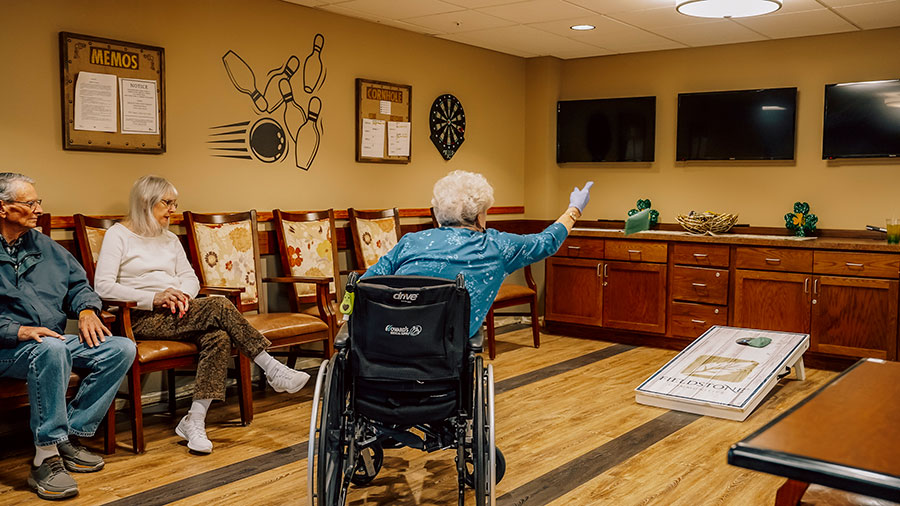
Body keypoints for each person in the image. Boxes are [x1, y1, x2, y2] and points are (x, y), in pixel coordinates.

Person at [94, 175, 310, 455]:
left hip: (177, 312)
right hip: (137, 316)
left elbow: (190, 278)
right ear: (146, 202)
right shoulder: (118, 235)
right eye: (167, 203)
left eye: (175, 203)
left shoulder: (169, 239)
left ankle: (194, 420)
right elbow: (103, 286)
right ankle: (270, 366)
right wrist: (154, 297)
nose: (173, 209)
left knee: (218, 336)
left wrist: (182, 296)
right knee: (219, 306)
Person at [0, 173, 136, 501]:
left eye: (38, 202)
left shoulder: (45, 245)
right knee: (49, 349)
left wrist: (87, 309)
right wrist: (16, 330)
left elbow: (78, 285)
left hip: (51, 341)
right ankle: (45, 457)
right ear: (3, 208)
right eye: (30, 203)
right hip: (8, 346)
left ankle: (67, 434)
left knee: (121, 348)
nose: (38, 209)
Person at [362, 170, 593, 338]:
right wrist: (574, 209)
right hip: (447, 348)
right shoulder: (496, 247)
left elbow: (366, 283)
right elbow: (547, 242)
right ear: (480, 215)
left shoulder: (411, 241)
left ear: (438, 211)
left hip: (388, 340)